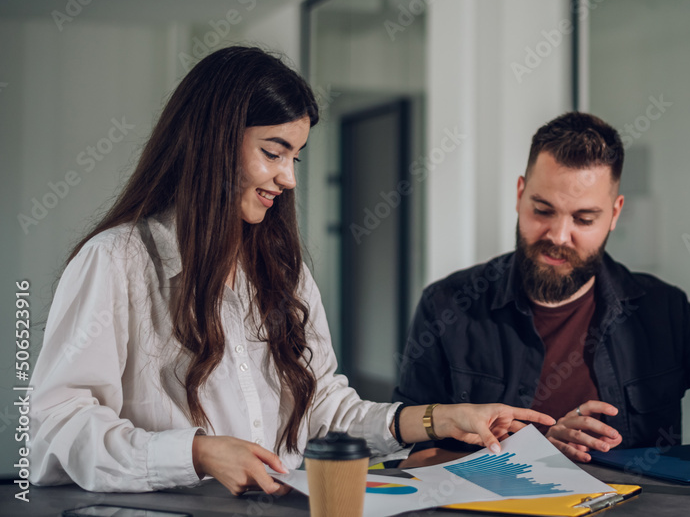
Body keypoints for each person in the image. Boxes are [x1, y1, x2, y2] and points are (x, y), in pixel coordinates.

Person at [29, 46, 553, 496]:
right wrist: (197, 453)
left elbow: (325, 407)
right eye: (274, 153)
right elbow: (56, 427)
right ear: (214, 142)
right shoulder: (117, 261)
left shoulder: (281, 269)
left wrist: (443, 418)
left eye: (296, 159)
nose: (288, 179)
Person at [394, 112, 690, 467]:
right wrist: (528, 455)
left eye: (584, 218)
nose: (558, 235)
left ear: (614, 215)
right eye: (543, 210)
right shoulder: (448, 306)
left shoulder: (662, 311)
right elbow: (412, 454)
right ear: (520, 196)